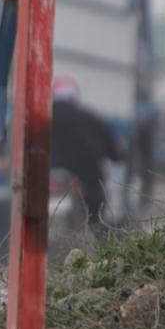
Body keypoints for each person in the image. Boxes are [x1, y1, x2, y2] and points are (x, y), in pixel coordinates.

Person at [49, 75, 122, 229]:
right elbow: (114, 150)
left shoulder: (40, 118)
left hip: (47, 180)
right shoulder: (90, 119)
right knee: (97, 220)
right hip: (88, 181)